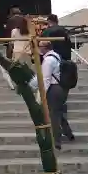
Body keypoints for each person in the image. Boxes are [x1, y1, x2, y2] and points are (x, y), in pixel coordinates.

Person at [29, 40, 74, 151]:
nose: (38, 49)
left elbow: (46, 79)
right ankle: (68, 133)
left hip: (54, 89)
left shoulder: (48, 60)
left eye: (39, 46)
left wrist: (41, 95)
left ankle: (56, 140)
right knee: (58, 111)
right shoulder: (56, 56)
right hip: (61, 88)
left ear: (45, 48)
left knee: (53, 115)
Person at [41, 13, 75, 141]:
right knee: (59, 107)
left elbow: (46, 78)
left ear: (48, 21)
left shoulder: (47, 33)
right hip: (66, 71)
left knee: (54, 111)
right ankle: (68, 132)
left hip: (53, 80)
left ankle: (57, 138)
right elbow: (69, 47)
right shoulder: (64, 31)